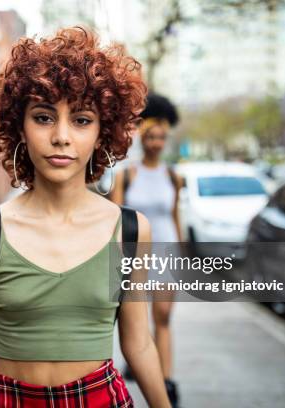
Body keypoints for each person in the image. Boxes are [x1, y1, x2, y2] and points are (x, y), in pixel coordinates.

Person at [0, 27, 172, 407]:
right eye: (44, 118)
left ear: (102, 132)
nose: (61, 136)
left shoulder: (129, 230)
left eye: (81, 120)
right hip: (6, 399)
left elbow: (139, 343)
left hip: (100, 399)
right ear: (20, 128)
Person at [110, 93, 183, 407]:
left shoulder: (173, 177)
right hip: (135, 254)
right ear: (143, 136)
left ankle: (165, 383)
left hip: (166, 253)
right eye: (151, 136)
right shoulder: (127, 175)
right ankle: (139, 365)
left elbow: (177, 215)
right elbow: (114, 219)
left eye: (161, 137)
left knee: (163, 317)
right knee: (134, 322)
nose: (156, 142)